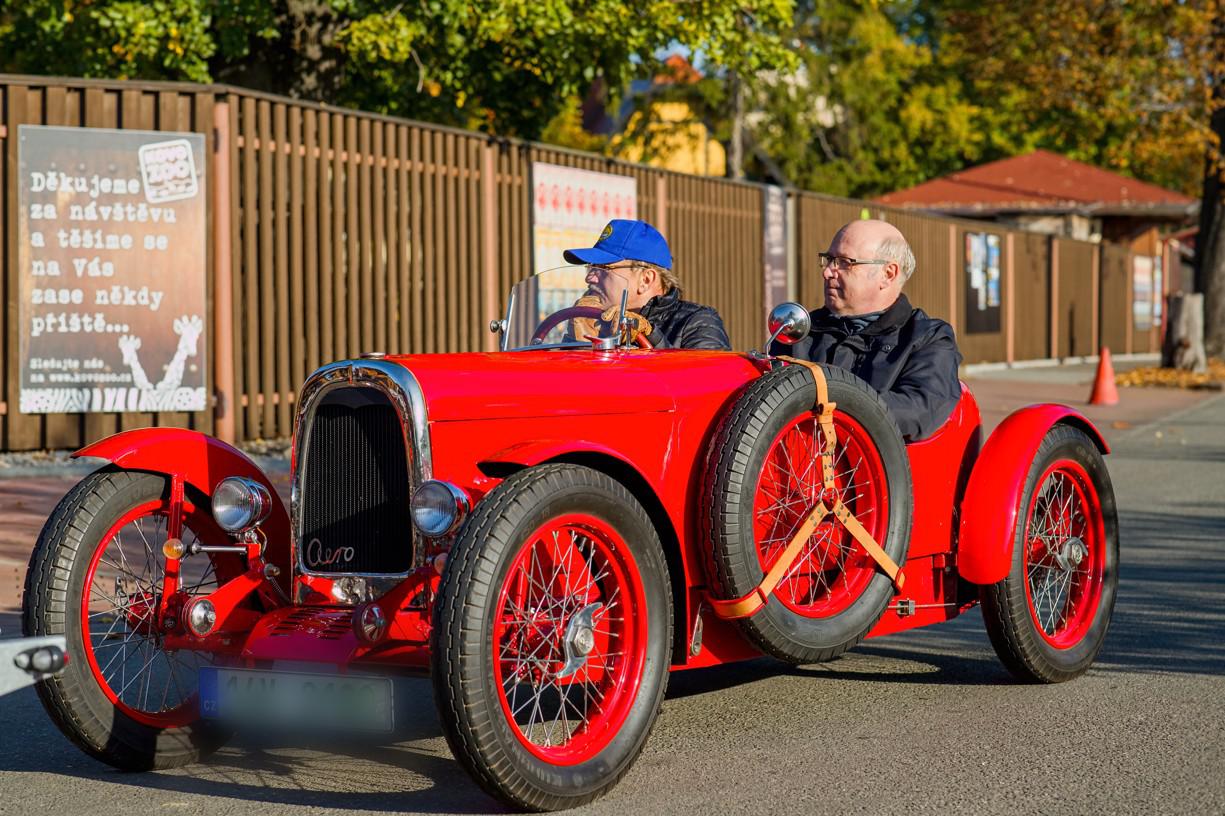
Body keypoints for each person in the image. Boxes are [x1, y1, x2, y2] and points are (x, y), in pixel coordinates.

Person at [772, 219, 962, 441]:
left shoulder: (927, 338)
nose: (828, 272)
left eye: (844, 262)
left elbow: (920, 409)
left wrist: (822, 401)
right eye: (829, 259)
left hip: (881, 463)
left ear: (888, 274)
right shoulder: (800, 330)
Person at [564, 219, 731, 350]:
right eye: (591, 268)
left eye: (604, 268)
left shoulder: (697, 322)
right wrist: (578, 345)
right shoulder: (594, 323)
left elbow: (704, 381)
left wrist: (650, 337)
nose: (590, 278)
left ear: (646, 280)